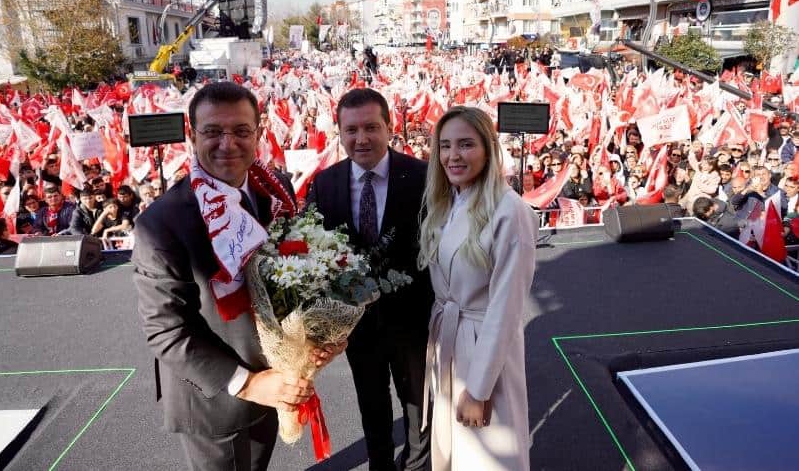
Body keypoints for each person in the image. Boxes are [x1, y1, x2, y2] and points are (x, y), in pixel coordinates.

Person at [133, 82, 335, 471]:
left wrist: (318, 336)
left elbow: (293, 271)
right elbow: (166, 330)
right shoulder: (160, 223)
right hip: (216, 399)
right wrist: (252, 384)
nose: (228, 144)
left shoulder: (275, 189)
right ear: (193, 136)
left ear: (258, 134)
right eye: (213, 131)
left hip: (276, 376)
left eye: (241, 131)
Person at [305, 88, 433, 471]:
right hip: (357, 328)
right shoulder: (325, 184)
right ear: (340, 133)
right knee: (372, 407)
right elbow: (314, 250)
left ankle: (416, 466)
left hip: (412, 322)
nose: (361, 138)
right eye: (352, 130)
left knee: (418, 409)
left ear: (389, 128)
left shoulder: (424, 176)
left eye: (371, 127)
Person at [417, 106, 537, 471]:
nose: (453, 155)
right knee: (455, 453)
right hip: (449, 344)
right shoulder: (447, 201)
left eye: (466, 144)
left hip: (483, 351)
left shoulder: (510, 210)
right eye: (445, 145)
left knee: (486, 458)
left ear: (488, 149)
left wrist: (479, 389)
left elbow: (506, 309)